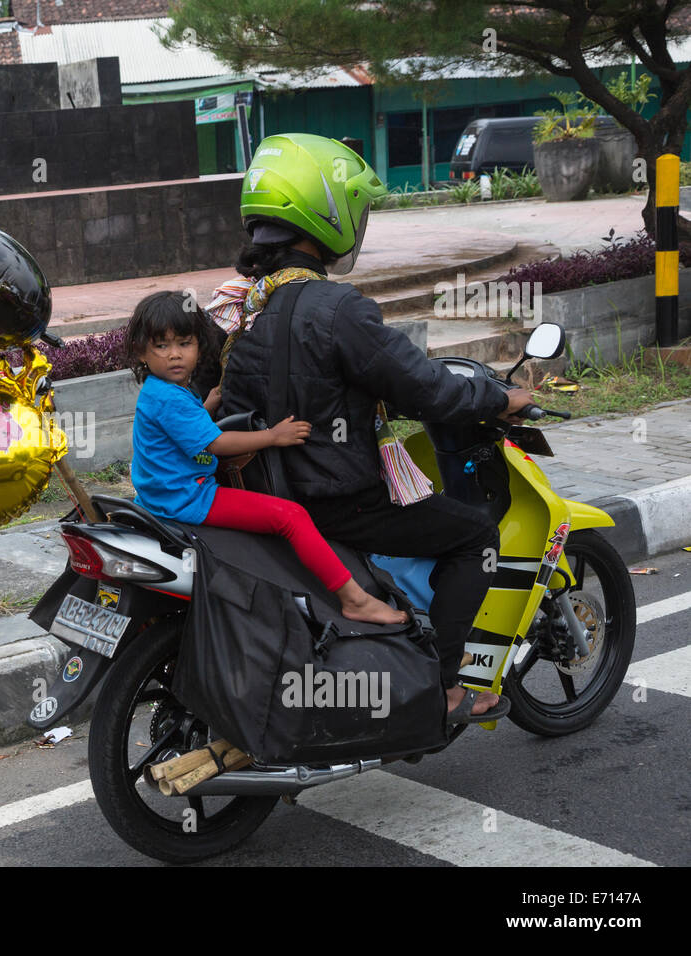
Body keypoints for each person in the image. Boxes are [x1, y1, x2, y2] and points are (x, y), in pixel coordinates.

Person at [212, 133, 535, 724]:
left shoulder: (238, 305)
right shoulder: (337, 310)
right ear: (325, 212)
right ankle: (445, 687)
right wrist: (497, 394)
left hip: (259, 497)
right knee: (473, 537)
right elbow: (426, 389)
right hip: (334, 502)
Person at [128, 290, 408, 627]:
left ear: (199, 346)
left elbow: (184, 433)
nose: (175, 354)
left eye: (184, 343)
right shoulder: (168, 397)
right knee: (290, 517)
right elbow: (215, 444)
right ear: (142, 352)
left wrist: (209, 406)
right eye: (162, 346)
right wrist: (274, 436)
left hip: (159, 493)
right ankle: (355, 600)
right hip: (186, 498)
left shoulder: (161, 391)